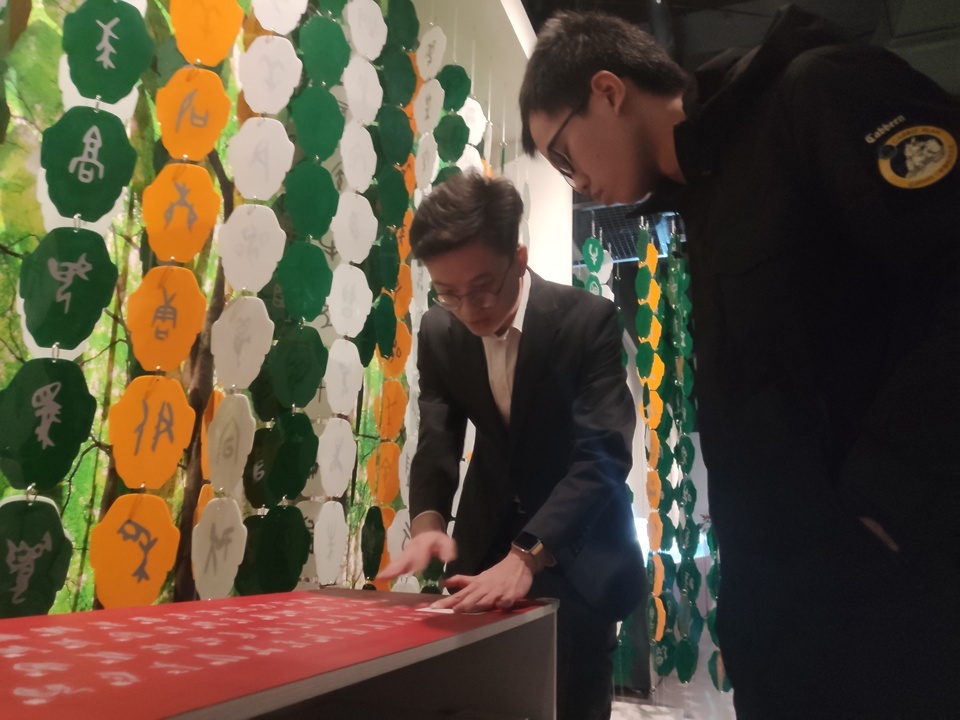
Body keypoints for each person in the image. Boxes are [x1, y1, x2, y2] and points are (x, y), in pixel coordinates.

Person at [519, 5, 960, 718]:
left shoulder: (815, 93)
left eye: (564, 155)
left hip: (889, 609)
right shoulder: (706, 195)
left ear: (607, 90)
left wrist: (885, 499)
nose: (574, 183)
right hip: (783, 628)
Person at [379, 171, 645, 720]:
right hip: (485, 546)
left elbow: (602, 454)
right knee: (479, 699)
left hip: (578, 549)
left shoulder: (586, 321)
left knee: (571, 697)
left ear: (518, 260)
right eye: (449, 293)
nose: (469, 308)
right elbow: (438, 435)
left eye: (483, 288)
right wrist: (428, 522)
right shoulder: (439, 331)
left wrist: (528, 554)